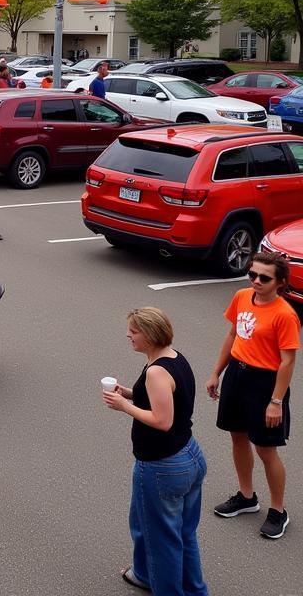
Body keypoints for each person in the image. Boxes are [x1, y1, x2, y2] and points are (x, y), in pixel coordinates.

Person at [102, 308, 209, 595]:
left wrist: (124, 407)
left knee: (162, 540)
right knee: (183, 532)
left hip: (163, 466)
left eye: (134, 331)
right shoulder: (174, 358)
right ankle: (193, 589)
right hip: (189, 455)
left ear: (149, 334)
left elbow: (163, 421)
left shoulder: (156, 372)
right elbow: (165, 399)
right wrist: (129, 393)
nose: (128, 335)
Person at [206, 249, 299, 540]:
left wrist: (276, 402)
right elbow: (233, 335)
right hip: (238, 373)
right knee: (238, 436)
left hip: (265, 382)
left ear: (280, 282)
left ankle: (278, 510)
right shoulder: (242, 297)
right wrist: (216, 372)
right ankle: (247, 497)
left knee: (265, 449)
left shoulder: (285, 315)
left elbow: (287, 361)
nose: (256, 281)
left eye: (265, 278)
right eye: (252, 274)